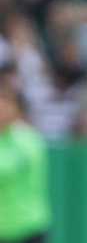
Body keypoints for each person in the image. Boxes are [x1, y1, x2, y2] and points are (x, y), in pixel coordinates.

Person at [0, 65, 51, 243]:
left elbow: (6, 169)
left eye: (6, 104)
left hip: (27, 227)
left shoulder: (27, 138)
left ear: (17, 109)